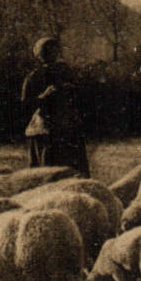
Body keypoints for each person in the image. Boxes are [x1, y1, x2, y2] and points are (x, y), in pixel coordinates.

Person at [21, 36, 90, 176]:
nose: (51, 54)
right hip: (45, 128)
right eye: (47, 51)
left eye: (54, 50)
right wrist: (44, 96)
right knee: (46, 172)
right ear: (40, 55)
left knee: (75, 172)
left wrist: (71, 91)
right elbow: (25, 104)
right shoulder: (34, 77)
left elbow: (83, 98)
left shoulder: (67, 73)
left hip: (68, 128)